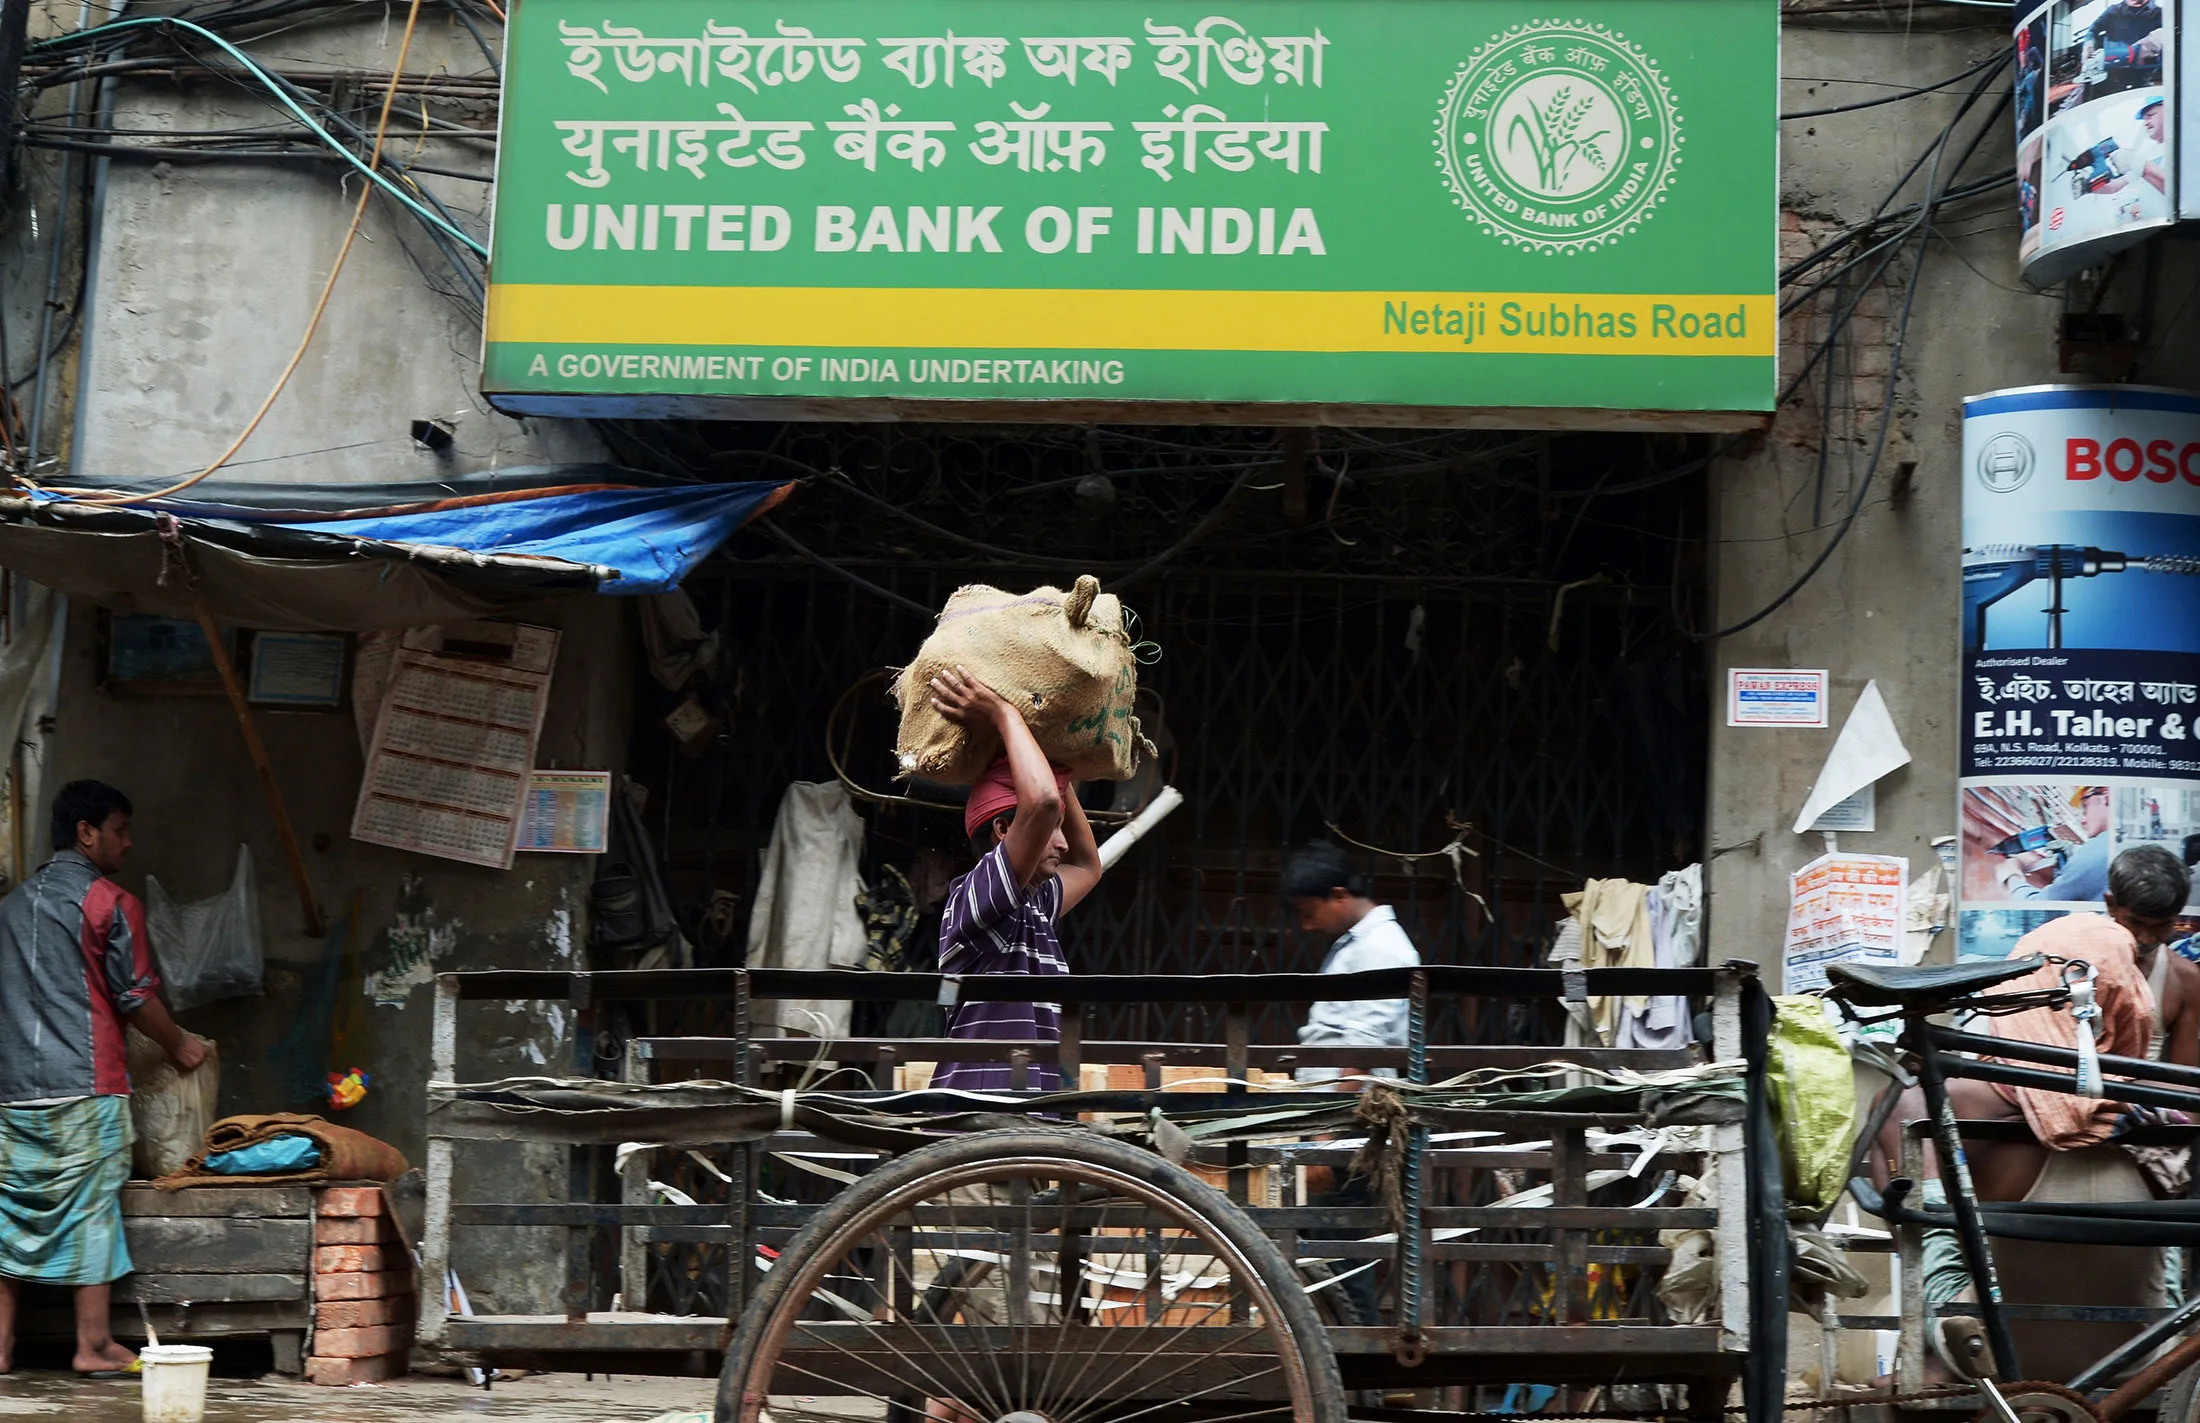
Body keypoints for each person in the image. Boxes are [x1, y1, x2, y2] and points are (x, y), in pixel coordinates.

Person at [0, 781, 206, 1378]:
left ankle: (2, 1348)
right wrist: (181, 1046)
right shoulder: (111, 903)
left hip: (12, 1093)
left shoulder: (9, 908)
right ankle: (91, 1345)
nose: (128, 841)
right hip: (85, 1087)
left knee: (10, 1213)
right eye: (120, 829)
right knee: (92, 1208)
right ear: (86, 832)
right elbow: (137, 998)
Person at [925, 667, 1103, 1092]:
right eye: (1050, 832)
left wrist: (1058, 764)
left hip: (1031, 1111)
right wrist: (1005, 715)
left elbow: (1088, 867)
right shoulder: (977, 894)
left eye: (1060, 829)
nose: (1061, 845)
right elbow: (1039, 802)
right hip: (985, 1106)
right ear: (1003, 830)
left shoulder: (1034, 904)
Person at [1279, 842, 1422, 1326]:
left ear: (1338, 895)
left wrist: (1325, 1139)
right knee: (1333, 1255)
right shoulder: (1363, 945)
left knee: (1338, 1262)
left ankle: (1354, 1372)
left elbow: (1360, 1051)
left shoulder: (1381, 948)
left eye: (1308, 910)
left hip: (1348, 1130)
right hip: (1342, 1126)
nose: (1305, 924)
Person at [2106, 845, 2198, 1065]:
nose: (2146, 938)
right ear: (2111, 905)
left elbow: (2181, 1083)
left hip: (2144, 1098)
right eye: (2135, 922)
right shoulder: (2075, 959)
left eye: (2163, 925)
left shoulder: (2185, 978)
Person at [2001, 786, 2112, 901]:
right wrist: (2075, 857)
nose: (2083, 821)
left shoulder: (2097, 851)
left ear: (2107, 795)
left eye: (2085, 807)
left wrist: (2012, 877)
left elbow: (2039, 905)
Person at [2086, 0, 2163, 98]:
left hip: (2143, 74)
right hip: (2112, 74)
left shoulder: (2158, 14)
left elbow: (2168, 35)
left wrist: (2153, 42)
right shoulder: (2113, 11)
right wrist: (2089, 43)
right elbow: (2093, 30)